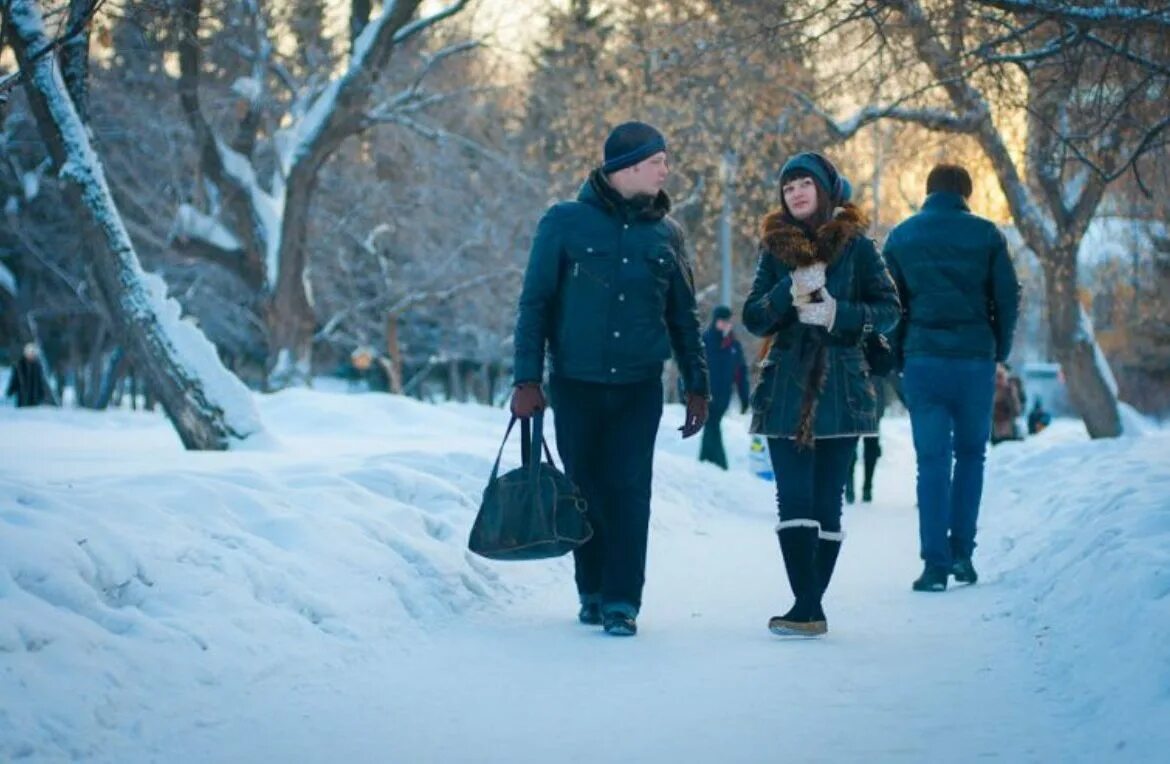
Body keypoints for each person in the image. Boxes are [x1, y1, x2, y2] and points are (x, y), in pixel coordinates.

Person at [510, 121, 710, 637]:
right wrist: (526, 380)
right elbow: (535, 303)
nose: (666, 169)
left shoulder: (667, 234)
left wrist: (697, 384)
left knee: (630, 490)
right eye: (657, 160)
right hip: (575, 383)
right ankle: (591, 590)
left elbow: (683, 317)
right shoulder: (563, 223)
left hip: (639, 386)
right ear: (626, 167)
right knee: (584, 489)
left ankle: (622, 601)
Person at [742, 152, 899, 637]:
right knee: (792, 494)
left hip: (842, 383)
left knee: (828, 497)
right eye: (788, 187)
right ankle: (807, 606)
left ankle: (808, 607)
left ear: (827, 189)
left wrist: (838, 312)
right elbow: (753, 316)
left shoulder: (858, 247)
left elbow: (889, 310)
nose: (796, 193)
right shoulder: (775, 249)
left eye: (804, 183)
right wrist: (783, 296)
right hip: (786, 382)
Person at [883, 164, 1020, 593]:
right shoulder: (987, 235)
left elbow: (890, 306)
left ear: (928, 192)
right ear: (966, 192)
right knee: (972, 457)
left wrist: (899, 355)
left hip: (923, 360)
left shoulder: (902, 237)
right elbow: (1008, 296)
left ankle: (934, 565)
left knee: (931, 463)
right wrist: (998, 348)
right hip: (975, 360)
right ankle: (963, 553)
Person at [699, 305, 750, 470]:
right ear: (715, 321)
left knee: (713, 425)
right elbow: (691, 368)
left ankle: (707, 461)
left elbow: (741, 374)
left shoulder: (733, 346)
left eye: (728, 321)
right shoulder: (704, 342)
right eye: (722, 321)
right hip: (705, 395)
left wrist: (744, 399)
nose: (725, 325)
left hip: (723, 397)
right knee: (711, 424)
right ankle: (718, 464)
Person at [844, 377, 889, 504]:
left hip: (852, 382)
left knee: (851, 438)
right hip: (873, 384)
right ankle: (866, 487)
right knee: (870, 439)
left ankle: (851, 484)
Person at [6, 343, 51, 408]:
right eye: (30, 353)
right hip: (22, 397)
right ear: (26, 353)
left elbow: (40, 381)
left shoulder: (37, 366)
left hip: (34, 397)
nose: (31, 355)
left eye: (33, 353)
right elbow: (14, 380)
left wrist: (42, 393)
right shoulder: (19, 365)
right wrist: (10, 391)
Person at [991, 363, 1024, 445]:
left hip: (1007, 427)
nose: (998, 380)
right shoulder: (991, 389)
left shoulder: (1010, 388)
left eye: (1000, 376)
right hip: (997, 429)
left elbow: (1016, 409)